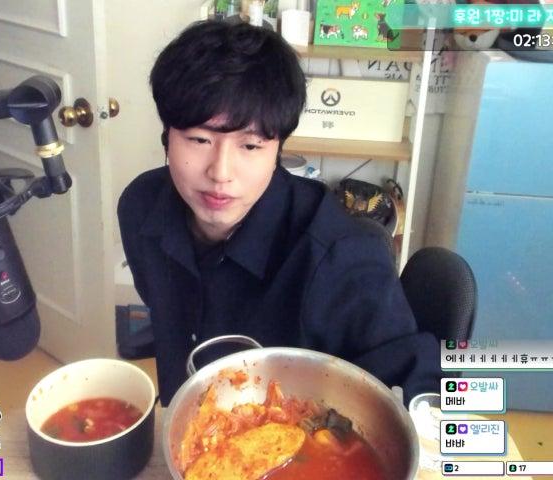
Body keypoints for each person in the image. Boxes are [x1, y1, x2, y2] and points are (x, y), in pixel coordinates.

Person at [118, 20, 440, 407]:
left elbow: (420, 393)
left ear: (278, 150)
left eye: (251, 146)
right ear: (167, 136)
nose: (221, 173)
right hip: (180, 419)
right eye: (199, 140)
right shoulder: (140, 207)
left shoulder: (342, 257)